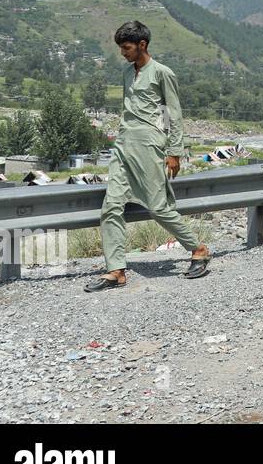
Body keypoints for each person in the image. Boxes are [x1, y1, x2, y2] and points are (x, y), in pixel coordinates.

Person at [84, 21, 211, 291]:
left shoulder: (162, 73)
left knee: (157, 208)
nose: (123, 53)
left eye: (127, 47)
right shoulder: (127, 74)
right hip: (122, 146)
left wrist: (174, 151)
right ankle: (116, 270)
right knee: (111, 207)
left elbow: (173, 115)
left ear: (142, 44)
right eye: (120, 48)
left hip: (149, 145)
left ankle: (198, 248)